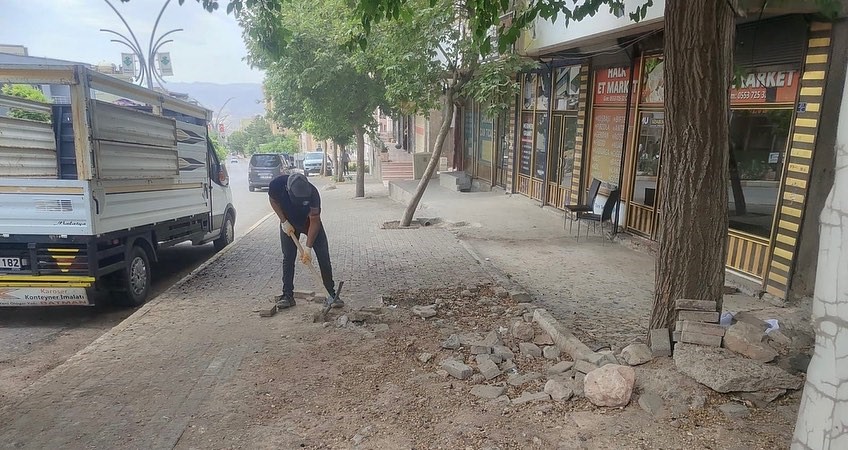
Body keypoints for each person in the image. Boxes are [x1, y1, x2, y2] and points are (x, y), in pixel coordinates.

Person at [268, 173, 342, 310]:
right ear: (288, 191)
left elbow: (314, 220)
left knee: (323, 256)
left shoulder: (313, 193)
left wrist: (307, 248)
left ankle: (330, 294)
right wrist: (283, 221)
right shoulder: (276, 185)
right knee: (288, 258)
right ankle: (287, 296)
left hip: (309, 223)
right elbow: (273, 201)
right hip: (289, 222)